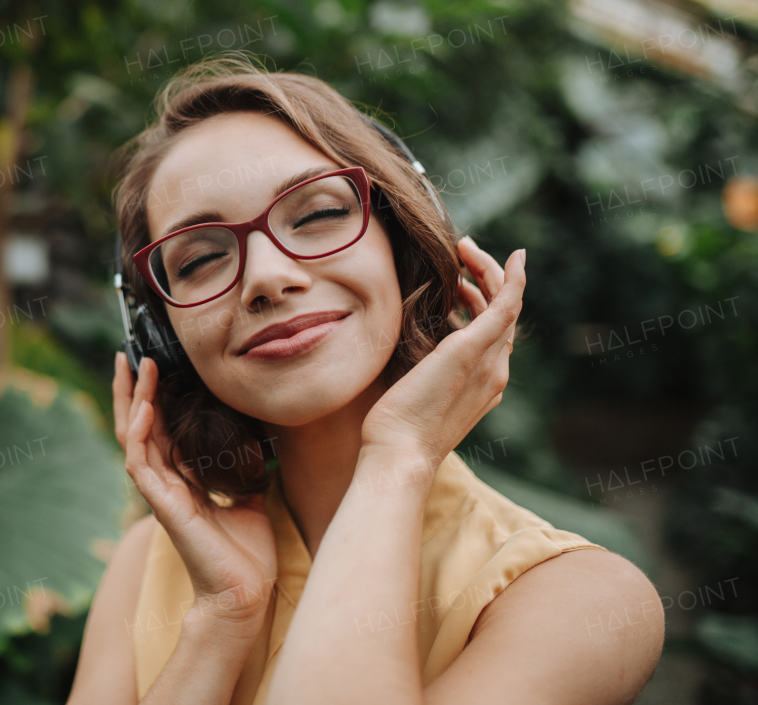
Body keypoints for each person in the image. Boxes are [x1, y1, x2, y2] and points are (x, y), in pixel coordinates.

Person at [66, 56, 663, 705]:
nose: (265, 276)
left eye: (318, 214)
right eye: (203, 258)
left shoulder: (581, 598)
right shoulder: (148, 565)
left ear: (402, 242)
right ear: (161, 336)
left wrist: (398, 457)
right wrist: (221, 620)